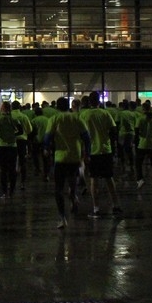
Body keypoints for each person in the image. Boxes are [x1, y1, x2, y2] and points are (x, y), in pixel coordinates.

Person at [44, 97, 90, 229]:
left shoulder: (54, 119)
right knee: (72, 180)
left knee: (58, 188)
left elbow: (47, 137)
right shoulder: (77, 118)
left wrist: (46, 148)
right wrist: (87, 154)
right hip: (75, 156)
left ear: (57, 107)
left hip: (60, 157)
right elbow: (87, 138)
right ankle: (73, 196)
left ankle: (62, 217)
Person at [79, 92, 122, 216]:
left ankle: (96, 208)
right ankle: (116, 205)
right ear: (99, 101)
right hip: (105, 149)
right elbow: (113, 130)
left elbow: (81, 134)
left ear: (89, 102)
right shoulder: (105, 113)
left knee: (94, 179)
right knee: (109, 178)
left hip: (92, 151)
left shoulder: (84, 115)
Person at [0, 101, 22, 198]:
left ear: (2, 108)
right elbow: (21, 131)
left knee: (3, 169)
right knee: (12, 169)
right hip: (12, 145)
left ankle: (4, 192)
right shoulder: (14, 119)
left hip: (2, 145)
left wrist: (1, 135)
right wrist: (13, 135)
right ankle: (12, 190)